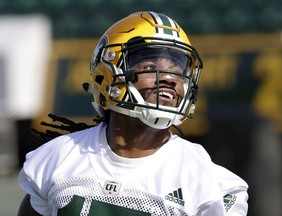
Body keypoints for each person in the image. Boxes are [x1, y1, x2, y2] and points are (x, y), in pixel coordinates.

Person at [18, 11, 248, 215]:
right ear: (107, 75)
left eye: (176, 70)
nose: (169, 79)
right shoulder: (59, 158)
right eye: (150, 67)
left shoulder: (208, 183)